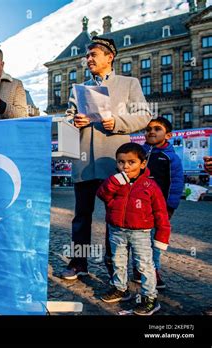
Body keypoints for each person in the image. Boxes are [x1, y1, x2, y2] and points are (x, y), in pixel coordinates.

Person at [60, 37, 152, 280]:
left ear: (109, 57)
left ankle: (116, 266)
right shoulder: (78, 88)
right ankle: (79, 263)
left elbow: (144, 116)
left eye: (93, 55)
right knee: (81, 217)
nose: (88, 60)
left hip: (114, 163)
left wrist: (118, 123)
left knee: (117, 218)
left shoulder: (129, 83)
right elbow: (67, 119)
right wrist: (74, 122)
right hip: (83, 164)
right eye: (87, 56)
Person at [97, 143, 170, 315]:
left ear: (143, 164)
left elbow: (161, 212)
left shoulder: (150, 186)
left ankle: (150, 298)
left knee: (145, 265)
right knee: (118, 261)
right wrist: (114, 183)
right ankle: (120, 289)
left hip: (141, 233)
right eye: (121, 162)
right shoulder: (115, 180)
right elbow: (102, 195)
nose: (126, 166)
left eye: (132, 162)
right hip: (116, 230)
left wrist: (162, 236)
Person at [139, 117, 184, 289]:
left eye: (157, 129)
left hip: (159, 208)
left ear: (169, 135)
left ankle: (154, 272)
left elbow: (176, 183)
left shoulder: (171, 157)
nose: (151, 131)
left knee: (154, 243)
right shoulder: (138, 153)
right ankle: (139, 270)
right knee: (137, 241)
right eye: (148, 129)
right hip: (137, 207)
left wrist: (170, 206)